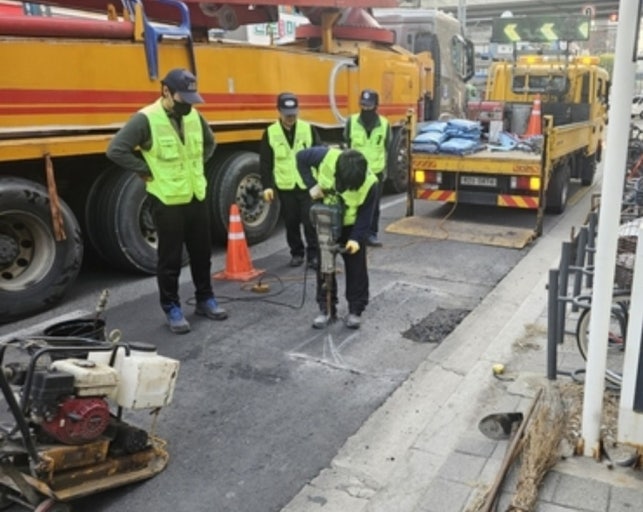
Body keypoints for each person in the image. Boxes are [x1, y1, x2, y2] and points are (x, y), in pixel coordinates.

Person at [106, 68, 228, 334]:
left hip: (196, 195)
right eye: (183, 98)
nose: (189, 104)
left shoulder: (194, 115)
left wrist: (197, 166)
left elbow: (210, 143)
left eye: (192, 99)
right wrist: (145, 170)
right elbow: (116, 149)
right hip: (166, 200)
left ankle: (205, 299)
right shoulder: (146, 119)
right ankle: (172, 307)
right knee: (170, 259)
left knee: (202, 254)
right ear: (166, 92)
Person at [296, 147, 378, 329]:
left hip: (351, 226)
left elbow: (366, 216)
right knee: (325, 267)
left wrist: (355, 239)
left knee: (356, 269)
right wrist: (311, 185)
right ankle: (326, 309)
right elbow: (300, 158)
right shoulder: (325, 157)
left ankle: (355, 310)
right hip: (326, 220)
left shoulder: (370, 183)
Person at [260, 92, 322, 269]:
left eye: (293, 114)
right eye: (287, 114)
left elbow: (320, 157)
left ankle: (313, 255)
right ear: (279, 111)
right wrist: (267, 186)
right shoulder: (270, 133)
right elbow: (266, 162)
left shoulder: (308, 129)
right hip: (286, 187)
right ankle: (297, 253)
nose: (290, 118)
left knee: (310, 223)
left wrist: (321, 183)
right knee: (291, 223)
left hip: (307, 186)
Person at [343, 89, 391, 247]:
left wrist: (385, 171)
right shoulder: (352, 122)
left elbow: (387, 147)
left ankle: (371, 234)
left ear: (376, 106)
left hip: (376, 172)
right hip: (356, 172)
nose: (366, 109)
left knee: (373, 206)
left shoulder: (384, 124)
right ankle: (354, 234)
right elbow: (347, 143)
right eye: (363, 105)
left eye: (369, 106)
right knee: (353, 202)